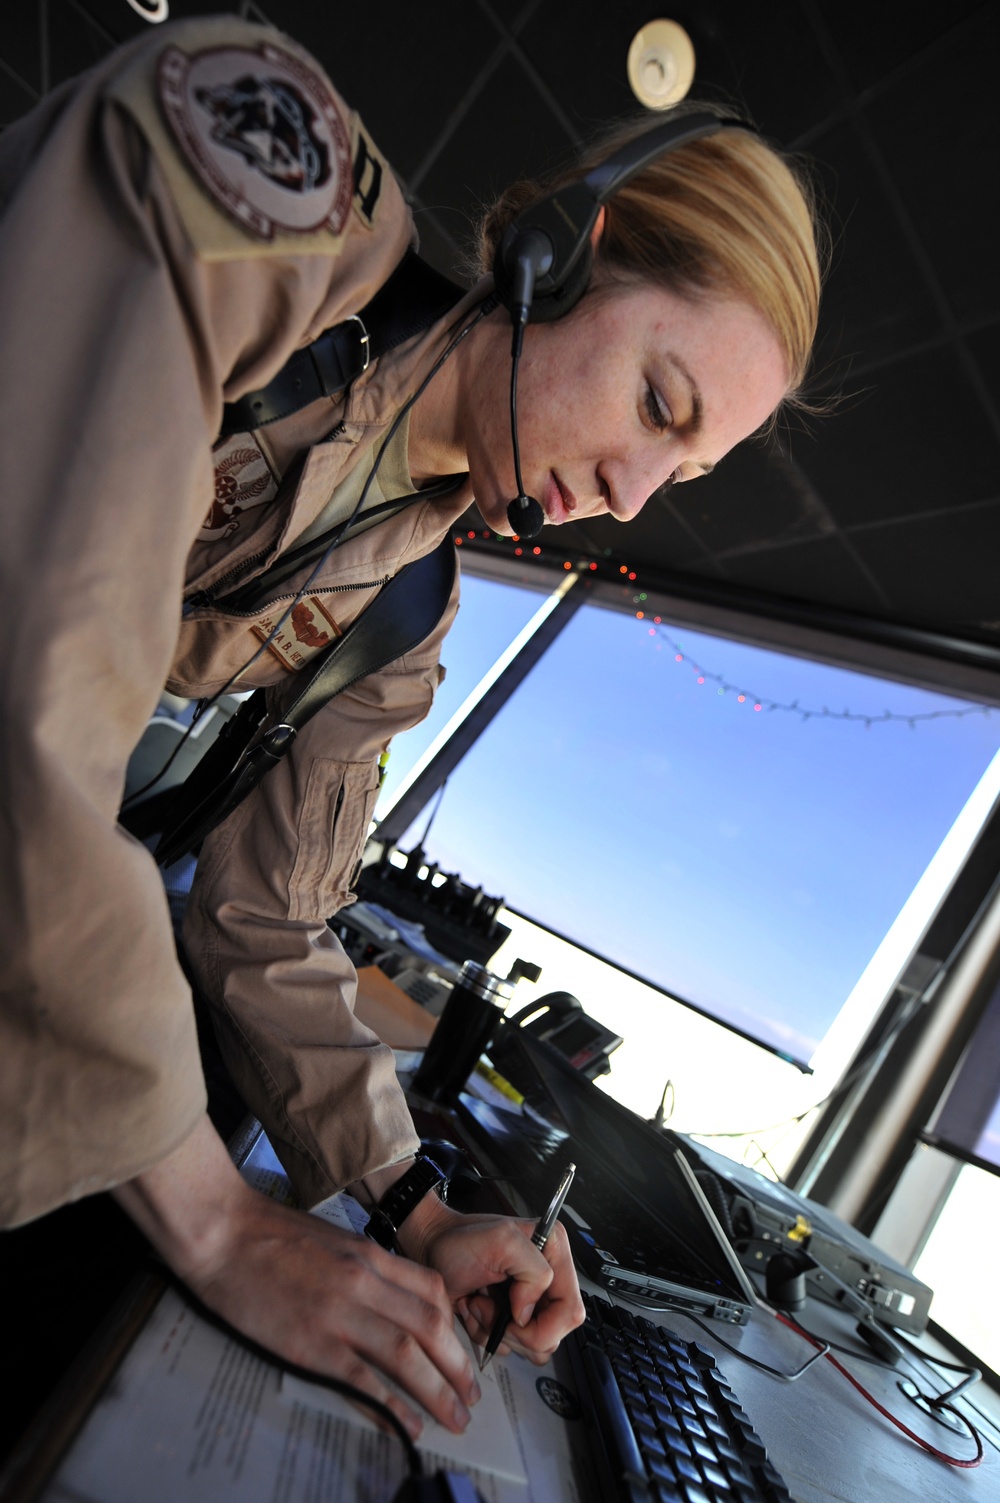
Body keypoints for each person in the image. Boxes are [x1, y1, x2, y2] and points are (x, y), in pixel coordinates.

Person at [0, 12, 821, 1445]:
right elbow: (34, 694)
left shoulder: (407, 614)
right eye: (655, 401)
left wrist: (413, 1203)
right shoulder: (283, 188)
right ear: (575, 247)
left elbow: (266, 926)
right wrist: (207, 1216)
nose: (628, 492)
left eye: (676, 471)